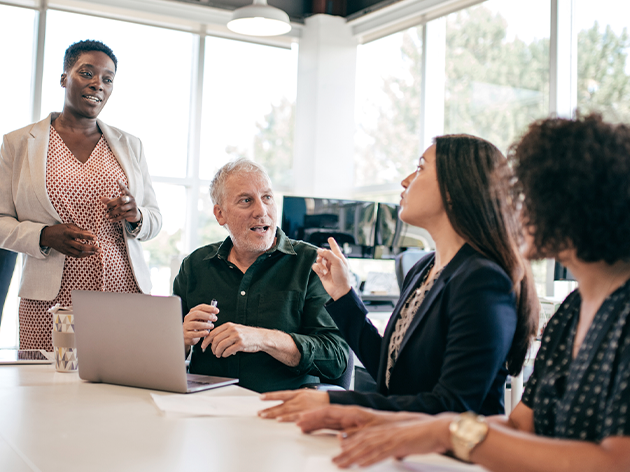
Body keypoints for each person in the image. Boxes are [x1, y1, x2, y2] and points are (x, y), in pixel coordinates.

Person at [295, 114, 630, 471]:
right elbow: (519, 426)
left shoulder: (488, 280)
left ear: (586, 206)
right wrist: (379, 420)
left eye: (532, 193)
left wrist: (442, 430)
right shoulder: (572, 311)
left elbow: (615, 462)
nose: (516, 205)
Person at [260, 135, 539, 419]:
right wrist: (344, 295)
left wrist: (338, 404)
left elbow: (453, 407)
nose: (406, 181)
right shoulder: (422, 268)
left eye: (420, 168)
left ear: (455, 188)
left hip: (450, 459)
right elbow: (392, 371)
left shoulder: (483, 280)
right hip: (403, 446)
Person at [0, 40, 161, 350]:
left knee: (119, 388)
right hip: (49, 300)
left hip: (123, 293)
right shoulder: (19, 143)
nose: (97, 84)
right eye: (86, 73)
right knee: (45, 392)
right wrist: (44, 235)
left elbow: (155, 219)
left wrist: (135, 215)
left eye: (107, 78)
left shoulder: (131, 145)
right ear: (64, 78)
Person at [173, 158, 349, 393]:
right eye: (246, 201)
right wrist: (180, 341)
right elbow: (161, 362)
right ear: (220, 214)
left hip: (281, 408)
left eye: (267, 197)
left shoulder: (312, 264)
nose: (262, 211)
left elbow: (336, 358)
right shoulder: (195, 266)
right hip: (205, 408)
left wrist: (262, 339)